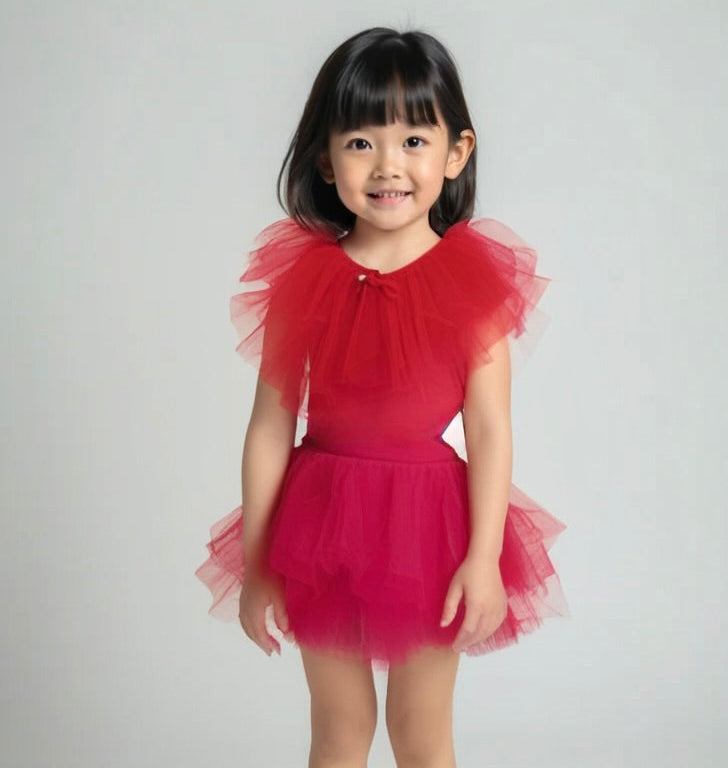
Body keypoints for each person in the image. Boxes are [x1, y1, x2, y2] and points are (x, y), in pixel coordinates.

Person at [195, 26, 567, 768]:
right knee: (337, 730)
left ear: (455, 153)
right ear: (326, 160)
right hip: (319, 524)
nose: (388, 165)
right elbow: (271, 426)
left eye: (413, 141)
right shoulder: (305, 281)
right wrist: (262, 558)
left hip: (430, 529)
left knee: (422, 733)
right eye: (362, 141)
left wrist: (485, 556)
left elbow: (490, 429)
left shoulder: (470, 284)